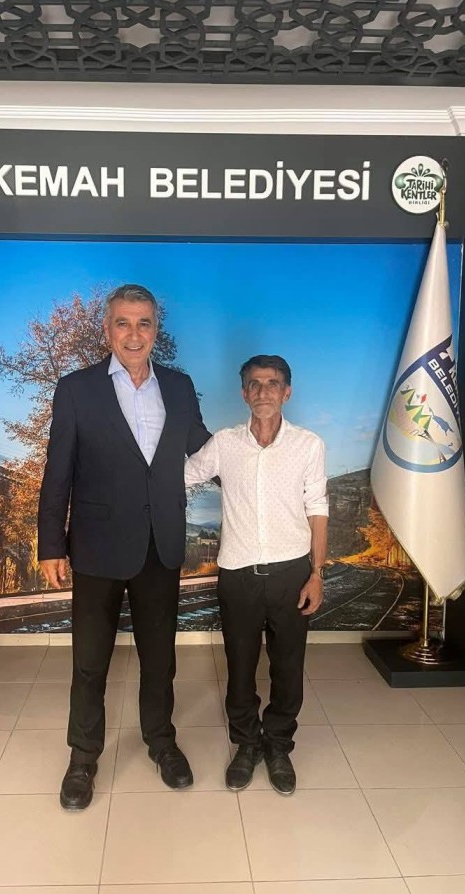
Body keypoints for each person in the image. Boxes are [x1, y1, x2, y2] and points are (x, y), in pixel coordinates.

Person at [38, 284, 211, 810]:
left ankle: (161, 742)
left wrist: (261, 463)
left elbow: (204, 449)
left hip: (161, 544)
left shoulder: (179, 386)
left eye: (144, 323)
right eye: (123, 323)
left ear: (156, 329)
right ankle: (82, 757)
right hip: (96, 547)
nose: (134, 334)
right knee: (90, 661)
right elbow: (57, 472)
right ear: (107, 329)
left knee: (160, 658)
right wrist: (51, 545)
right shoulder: (76, 389)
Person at [184, 354, 328, 796]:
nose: (264, 391)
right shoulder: (224, 444)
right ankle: (246, 744)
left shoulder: (308, 445)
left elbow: (318, 509)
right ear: (244, 393)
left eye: (273, 383)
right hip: (239, 574)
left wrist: (316, 573)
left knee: (288, 666)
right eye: (255, 384)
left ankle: (278, 744)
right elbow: (181, 476)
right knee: (240, 665)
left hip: (292, 573)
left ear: (287, 392)